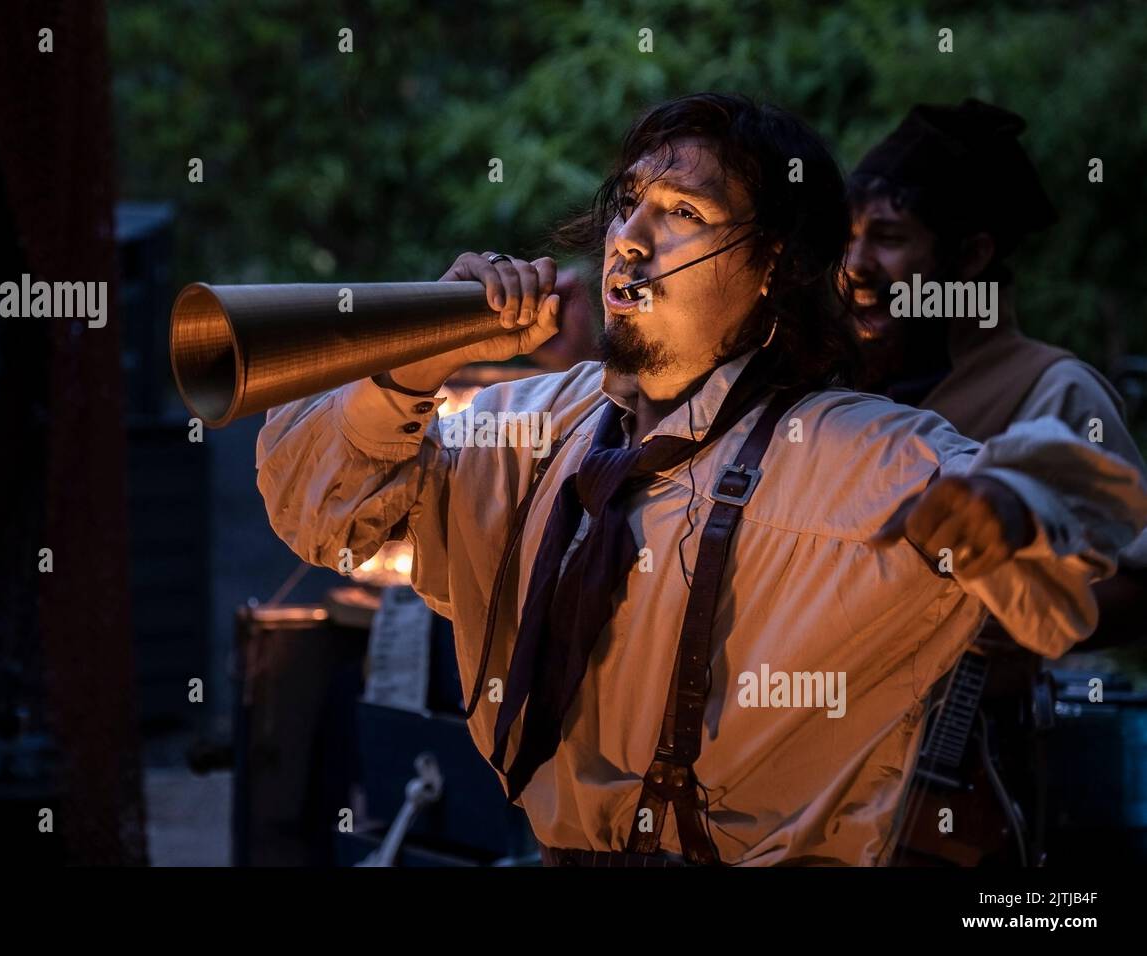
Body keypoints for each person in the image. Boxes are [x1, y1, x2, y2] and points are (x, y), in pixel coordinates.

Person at [256, 93, 1146, 866]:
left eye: (683, 212)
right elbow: (323, 511)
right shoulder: (524, 434)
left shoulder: (847, 454)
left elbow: (1082, 506)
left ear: (775, 268)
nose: (631, 241)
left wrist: (1010, 505)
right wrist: (420, 355)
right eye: (629, 202)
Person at [844, 99, 1147, 864]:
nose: (853, 267)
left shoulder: (1057, 391)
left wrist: (979, 598)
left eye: (887, 238)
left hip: (959, 796)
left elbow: (1139, 586)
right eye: (847, 237)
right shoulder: (832, 388)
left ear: (971, 259)